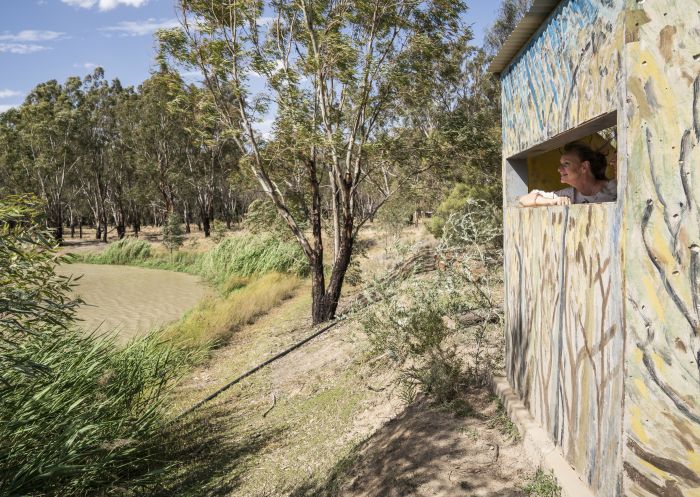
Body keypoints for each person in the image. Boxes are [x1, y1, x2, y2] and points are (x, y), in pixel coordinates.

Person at [518, 142, 617, 207]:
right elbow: (523, 200)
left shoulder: (614, 188)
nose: (559, 169)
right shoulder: (569, 195)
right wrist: (552, 201)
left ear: (584, 167)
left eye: (566, 164)